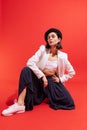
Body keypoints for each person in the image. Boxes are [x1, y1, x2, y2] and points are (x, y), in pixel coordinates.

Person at [2, 28, 76, 116]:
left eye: (53, 36)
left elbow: (72, 72)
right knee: (26, 70)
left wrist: (60, 79)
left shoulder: (63, 56)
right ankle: (20, 104)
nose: (50, 39)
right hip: (39, 80)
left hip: (52, 82)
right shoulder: (43, 50)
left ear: (59, 39)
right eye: (48, 37)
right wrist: (42, 75)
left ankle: (47, 95)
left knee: (69, 102)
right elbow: (30, 62)